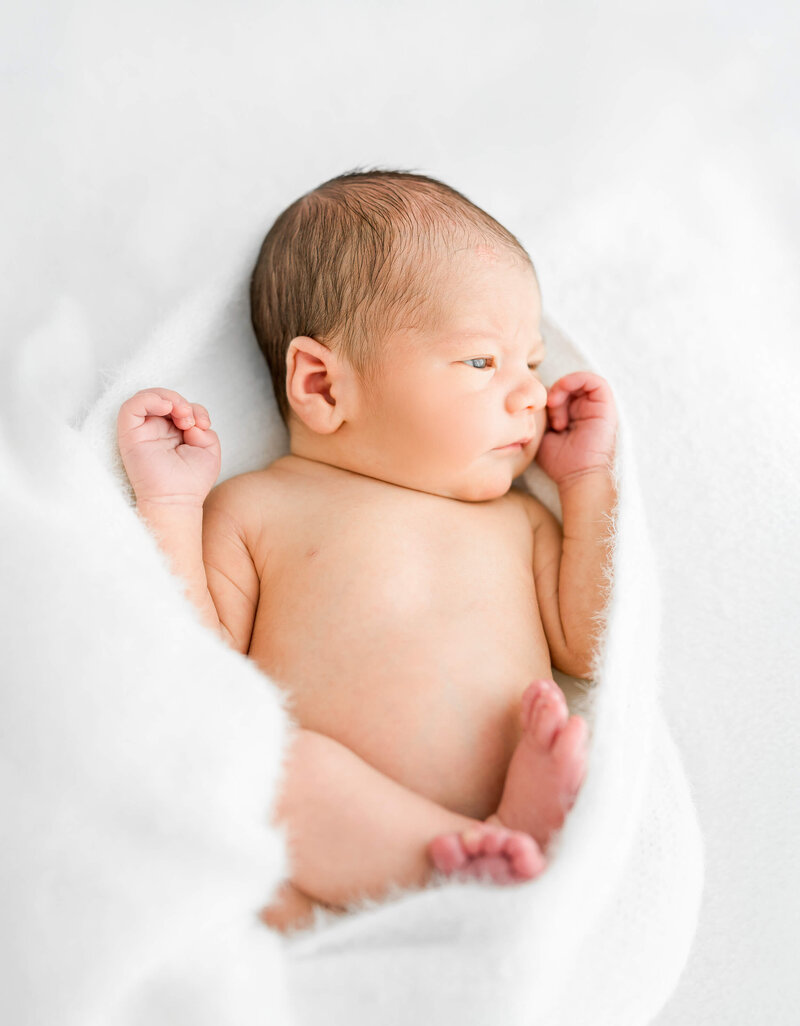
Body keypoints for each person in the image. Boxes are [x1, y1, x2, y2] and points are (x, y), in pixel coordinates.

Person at [117, 169, 617, 933]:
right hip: (324, 855)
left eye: (532, 361)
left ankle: (492, 844)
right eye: (482, 362)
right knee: (273, 765)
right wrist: (171, 505)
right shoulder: (259, 509)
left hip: (507, 825)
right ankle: (451, 856)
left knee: (571, 741)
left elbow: (591, 643)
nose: (529, 394)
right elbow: (197, 664)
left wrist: (586, 484)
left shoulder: (518, 521)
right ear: (322, 385)